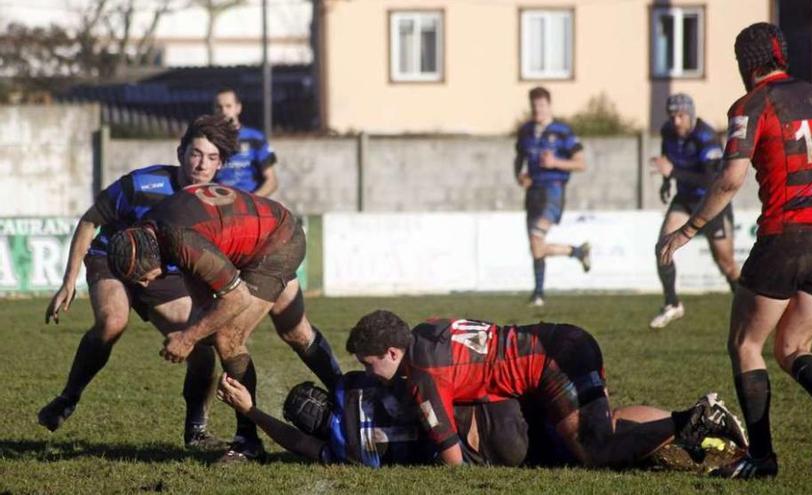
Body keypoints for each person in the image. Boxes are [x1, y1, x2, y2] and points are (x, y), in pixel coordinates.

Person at [659, 23, 812, 479]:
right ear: (783, 55)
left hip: (788, 236)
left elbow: (730, 179)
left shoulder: (751, 104)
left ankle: (762, 457)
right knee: (793, 345)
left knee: (746, 343)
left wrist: (689, 229)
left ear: (747, 65)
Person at [38, 114, 238, 450]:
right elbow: (90, 221)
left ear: (220, 165)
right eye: (196, 153)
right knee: (113, 322)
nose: (202, 164)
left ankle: (196, 432)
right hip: (112, 261)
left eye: (211, 158)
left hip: (165, 277)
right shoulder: (143, 184)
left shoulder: (215, 202)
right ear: (180, 153)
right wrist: (69, 280)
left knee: (201, 345)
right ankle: (68, 398)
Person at [106, 183, 341, 463]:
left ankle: (248, 441)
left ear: (152, 255)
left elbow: (236, 298)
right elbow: (199, 275)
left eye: (144, 277)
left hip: (277, 243)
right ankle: (350, 396)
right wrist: (201, 322)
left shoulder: (180, 240)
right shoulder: (155, 228)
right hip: (267, 232)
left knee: (227, 337)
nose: (145, 284)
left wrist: (187, 337)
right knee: (294, 331)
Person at [345, 310, 749, 468]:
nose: (370, 373)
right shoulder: (429, 327)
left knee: (595, 453)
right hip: (566, 337)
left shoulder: (421, 375)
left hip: (549, 367)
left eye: (369, 364)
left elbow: (454, 463)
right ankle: (702, 423)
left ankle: (691, 421)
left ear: (393, 351)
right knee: (604, 426)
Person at [216, 371, 530, 467]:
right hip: (494, 408)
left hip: (486, 451)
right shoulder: (351, 385)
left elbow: (300, 444)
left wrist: (250, 411)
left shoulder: (345, 451)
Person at [649, 93, 740, 329]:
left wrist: (673, 174)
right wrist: (666, 184)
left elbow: (711, 181)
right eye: (672, 116)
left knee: (726, 264)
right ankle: (672, 304)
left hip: (712, 203)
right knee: (663, 246)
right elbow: (668, 160)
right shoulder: (667, 132)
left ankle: (747, 310)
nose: (676, 121)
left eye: (680, 116)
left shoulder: (706, 138)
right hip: (685, 199)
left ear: (690, 114)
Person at [514, 87, 591, 307]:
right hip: (533, 191)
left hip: (553, 190)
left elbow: (581, 163)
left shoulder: (562, 131)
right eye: (534, 106)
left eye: (541, 105)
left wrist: (555, 163)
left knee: (537, 236)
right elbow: (519, 157)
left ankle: (539, 294)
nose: (538, 110)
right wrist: (520, 175)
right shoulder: (526, 131)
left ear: (549, 105)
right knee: (535, 245)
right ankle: (574, 254)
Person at [214, 87, 278, 196]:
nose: (223, 111)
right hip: (219, 201)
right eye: (219, 107)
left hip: (250, 201)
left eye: (228, 106)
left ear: (238, 108)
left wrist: (251, 201)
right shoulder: (210, 140)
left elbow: (272, 181)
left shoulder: (255, 138)